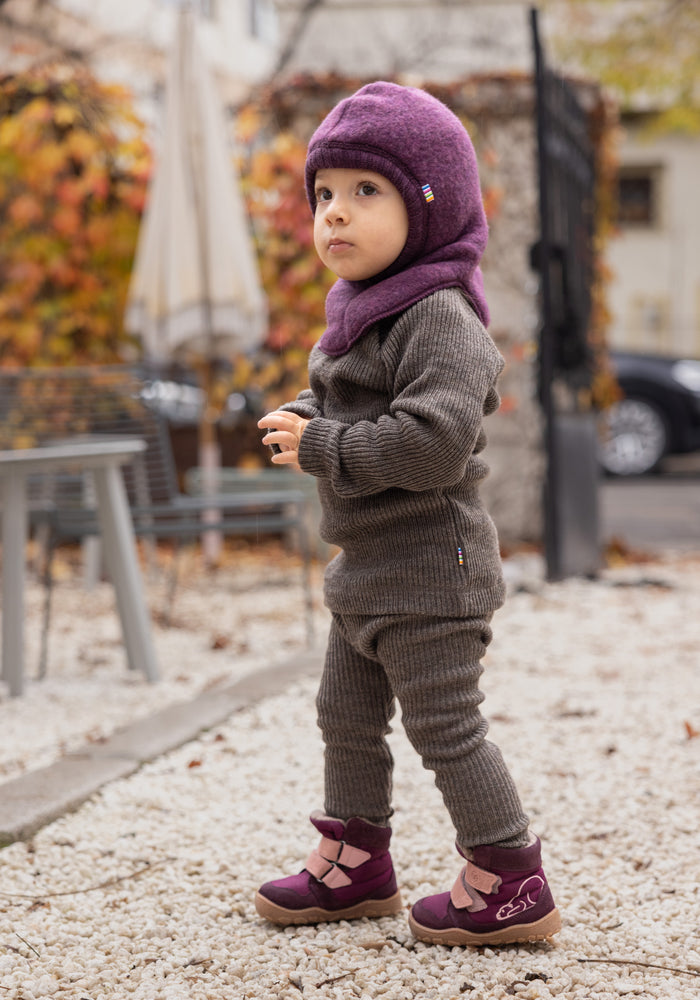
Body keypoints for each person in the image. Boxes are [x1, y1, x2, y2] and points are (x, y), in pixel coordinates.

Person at [255, 81, 561, 947]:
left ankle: (512, 877)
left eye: (366, 191)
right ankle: (357, 860)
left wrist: (322, 444)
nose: (335, 213)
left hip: (433, 571)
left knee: (444, 725)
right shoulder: (362, 313)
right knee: (344, 716)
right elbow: (356, 411)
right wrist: (309, 419)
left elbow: (431, 445)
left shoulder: (441, 317)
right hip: (367, 568)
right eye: (323, 194)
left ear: (430, 206)